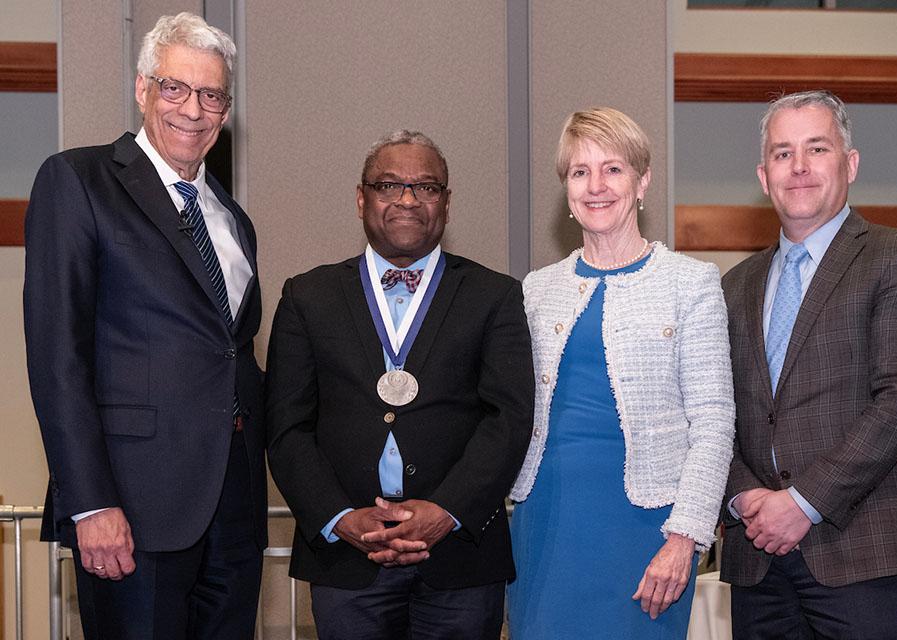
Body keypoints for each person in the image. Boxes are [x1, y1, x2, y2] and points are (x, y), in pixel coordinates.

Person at [23, 12, 266, 639]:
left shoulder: (234, 220)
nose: (193, 108)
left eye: (211, 94)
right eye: (175, 87)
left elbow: (231, 357)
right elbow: (58, 359)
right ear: (142, 89)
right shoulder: (78, 181)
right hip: (131, 510)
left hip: (233, 512)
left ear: (226, 109)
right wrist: (91, 501)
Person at [265, 130, 534, 640]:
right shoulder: (308, 296)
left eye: (426, 187)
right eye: (389, 186)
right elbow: (287, 427)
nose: (408, 199)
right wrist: (340, 518)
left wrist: (446, 511)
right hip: (346, 559)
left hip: (460, 557)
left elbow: (510, 419)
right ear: (361, 198)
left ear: (446, 204)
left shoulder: (494, 296)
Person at [721, 90, 897, 639]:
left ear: (850, 164)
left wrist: (803, 503)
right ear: (762, 174)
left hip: (858, 551)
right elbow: (711, 411)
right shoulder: (733, 285)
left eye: (816, 148)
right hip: (757, 557)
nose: (798, 167)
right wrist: (744, 496)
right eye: (782, 153)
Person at [508, 107, 736, 639]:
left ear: (642, 181)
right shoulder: (535, 291)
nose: (596, 186)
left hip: (646, 531)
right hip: (545, 524)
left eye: (613, 169)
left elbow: (714, 421)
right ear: (566, 189)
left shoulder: (692, 284)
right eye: (580, 172)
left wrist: (686, 537)